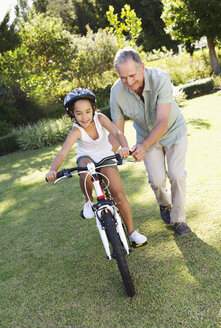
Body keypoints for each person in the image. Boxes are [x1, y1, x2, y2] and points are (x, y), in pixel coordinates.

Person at [46, 88, 147, 246]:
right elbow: (62, 153)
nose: (84, 117)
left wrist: (125, 147)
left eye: (87, 111)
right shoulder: (76, 131)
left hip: (105, 157)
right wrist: (53, 170)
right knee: (85, 169)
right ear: (72, 113)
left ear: (93, 109)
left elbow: (118, 133)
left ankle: (132, 232)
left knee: (119, 194)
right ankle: (89, 201)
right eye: (78, 113)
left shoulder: (100, 118)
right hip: (87, 159)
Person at [109, 47, 191, 235]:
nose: (128, 82)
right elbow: (116, 131)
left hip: (173, 132)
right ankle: (164, 204)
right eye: (123, 77)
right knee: (156, 180)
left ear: (142, 67)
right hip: (146, 137)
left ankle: (178, 221)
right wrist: (102, 155)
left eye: (132, 75)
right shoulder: (116, 92)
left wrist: (143, 146)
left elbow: (162, 122)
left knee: (177, 175)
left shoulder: (160, 78)